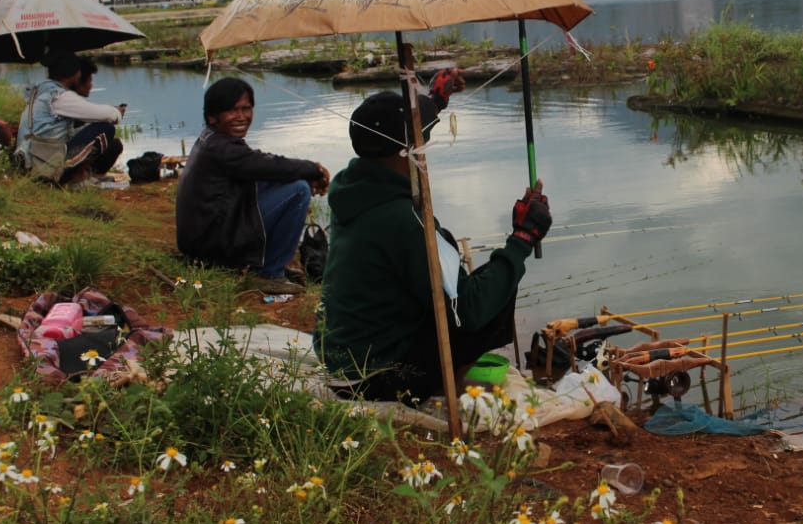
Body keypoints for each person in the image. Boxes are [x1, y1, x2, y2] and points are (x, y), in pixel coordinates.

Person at [313, 74, 552, 403]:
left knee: (471, 274)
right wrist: (523, 238)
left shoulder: (357, 191)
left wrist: (435, 101)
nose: (426, 149)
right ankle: (446, 389)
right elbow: (468, 310)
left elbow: (399, 129)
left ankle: (444, 378)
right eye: (422, 142)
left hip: (342, 362)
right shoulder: (405, 221)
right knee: (493, 289)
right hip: (377, 378)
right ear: (405, 152)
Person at [175, 77, 331, 295]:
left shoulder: (214, 140)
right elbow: (267, 165)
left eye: (246, 109)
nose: (241, 117)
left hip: (205, 238)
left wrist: (307, 171)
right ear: (212, 116)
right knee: (298, 190)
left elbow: (261, 164)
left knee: (284, 180)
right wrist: (313, 169)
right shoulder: (221, 148)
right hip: (211, 245)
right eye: (232, 110)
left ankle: (267, 265)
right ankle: (270, 273)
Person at [15, 51, 125, 185]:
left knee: (106, 138)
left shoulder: (43, 92)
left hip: (34, 158)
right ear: (75, 74)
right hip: (43, 164)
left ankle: (78, 175)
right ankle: (69, 178)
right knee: (105, 128)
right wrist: (117, 112)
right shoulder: (59, 96)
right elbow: (110, 115)